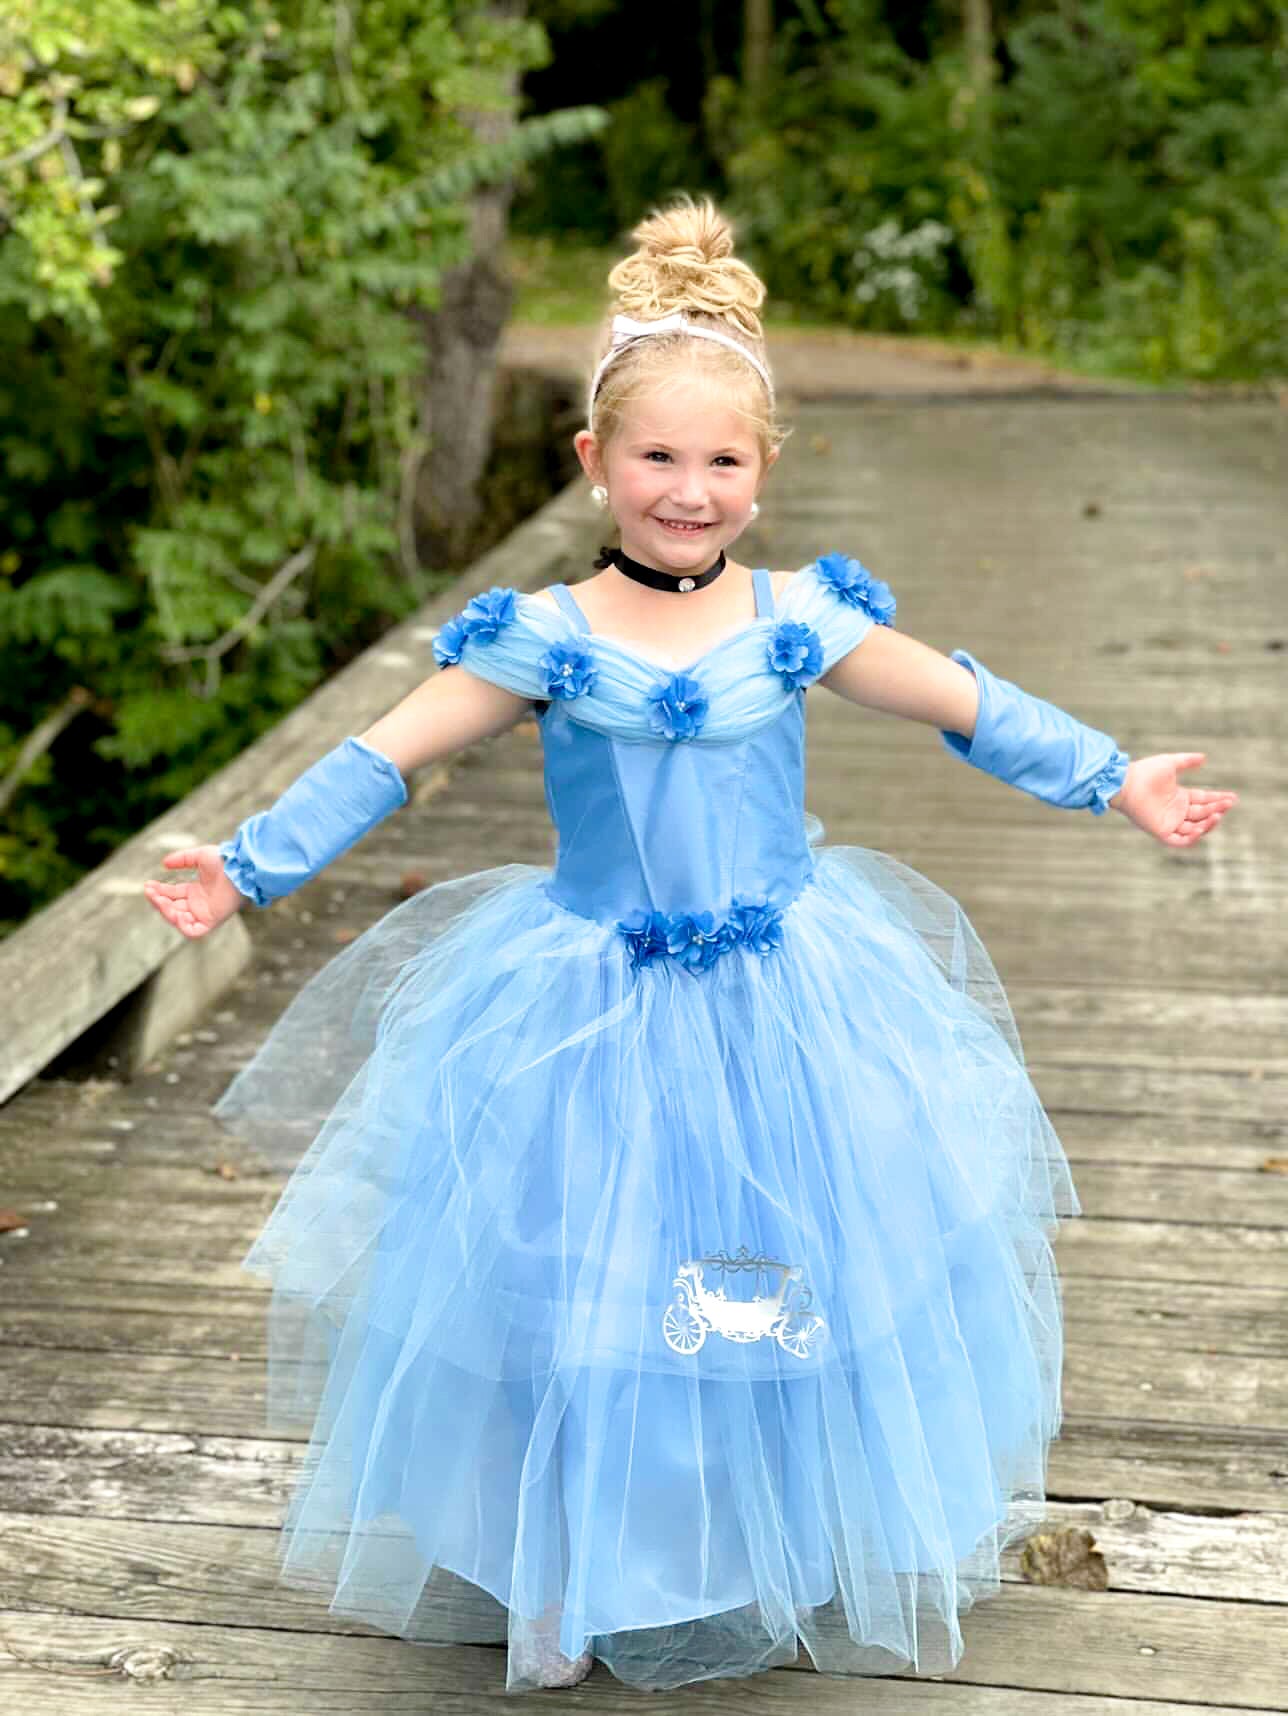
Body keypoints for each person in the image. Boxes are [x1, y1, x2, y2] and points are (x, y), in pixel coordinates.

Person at [142, 194, 1237, 1695]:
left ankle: (759, 1545)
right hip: (586, 1010)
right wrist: (249, 866)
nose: (689, 489)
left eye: (723, 460)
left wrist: (1116, 775)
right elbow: (389, 755)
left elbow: (966, 703)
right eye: (656, 456)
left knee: (777, 1282)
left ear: (764, 470)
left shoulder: (800, 616)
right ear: (593, 462)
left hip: (790, 1007)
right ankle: (572, 1564)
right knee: (581, 1301)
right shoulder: (543, 633)